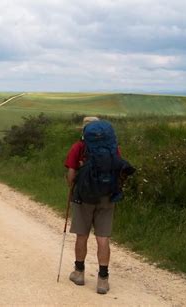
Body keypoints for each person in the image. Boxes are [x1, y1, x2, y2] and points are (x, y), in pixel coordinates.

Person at [64, 116, 115, 294]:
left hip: (83, 197)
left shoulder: (78, 147)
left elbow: (71, 175)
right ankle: (102, 280)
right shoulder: (112, 147)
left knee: (82, 235)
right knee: (103, 238)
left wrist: (72, 186)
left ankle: (79, 273)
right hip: (106, 197)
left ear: (84, 130)